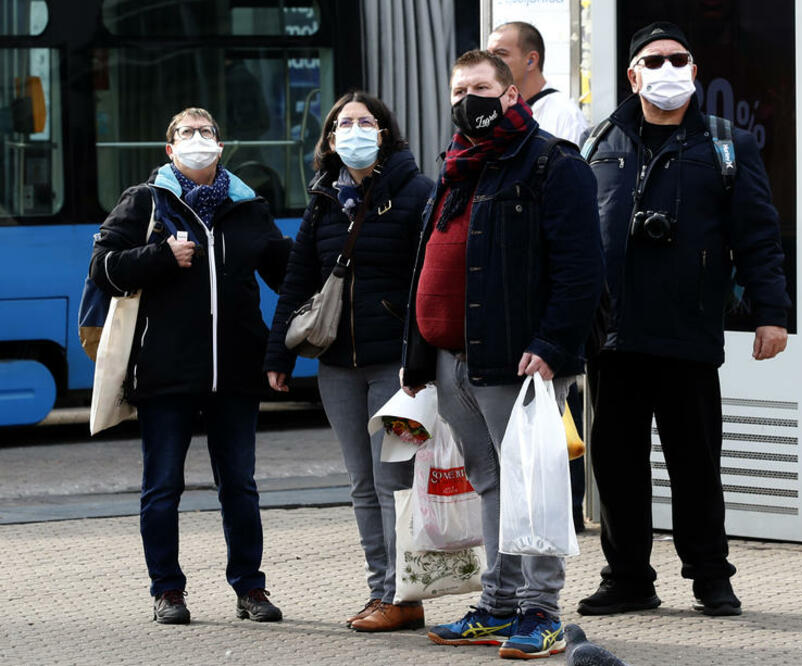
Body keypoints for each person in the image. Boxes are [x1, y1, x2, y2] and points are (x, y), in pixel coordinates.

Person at [577, 22, 790, 618]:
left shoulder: (728, 145)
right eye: (654, 60)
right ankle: (627, 580)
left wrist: (771, 315)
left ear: (694, 71)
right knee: (616, 468)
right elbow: (575, 242)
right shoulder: (599, 142)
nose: (667, 69)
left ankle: (710, 578)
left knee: (695, 465)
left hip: (689, 334)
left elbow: (759, 238)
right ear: (633, 75)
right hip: (613, 338)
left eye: (678, 59)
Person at [401, 50, 604, 660]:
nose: (470, 99)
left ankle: (540, 611)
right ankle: (498, 604)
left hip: (519, 361)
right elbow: (427, 265)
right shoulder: (459, 168)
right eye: (460, 89)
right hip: (452, 359)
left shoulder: (552, 164)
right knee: (491, 483)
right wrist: (417, 361)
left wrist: (550, 346)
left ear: (511, 94)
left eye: (482, 87)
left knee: (532, 485)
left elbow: (581, 271)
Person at [88, 107, 290, 625]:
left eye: (206, 133)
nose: (197, 140)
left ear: (221, 148)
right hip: (164, 375)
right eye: (186, 134)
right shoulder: (145, 201)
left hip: (236, 373)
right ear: (169, 150)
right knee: (162, 487)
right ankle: (168, 592)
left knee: (240, 486)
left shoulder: (249, 207)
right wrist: (159, 256)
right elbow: (102, 269)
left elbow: (286, 277)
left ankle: (250, 588)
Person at [264, 91, 432, 632]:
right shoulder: (322, 200)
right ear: (330, 139)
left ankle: (403, 595)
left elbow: (428, 281)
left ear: (384, 132)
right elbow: (298, 282)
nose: (353, 131)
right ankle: (381, 590)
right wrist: (279, 356)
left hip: (395, 366)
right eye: (343, 124)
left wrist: (421, 356)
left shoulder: (416, 194)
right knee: (361, 484)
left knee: (394, 482)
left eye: (365, 122)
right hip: (336, 364)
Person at [487, 20, 592, 533]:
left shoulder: (557, 114)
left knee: (555, 423)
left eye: (501, 52)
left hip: (544, 298)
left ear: (531, 59)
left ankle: (564, 512)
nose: (494, 58)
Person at [487, 21, 589, 147]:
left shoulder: (565, 115)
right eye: (488, 56)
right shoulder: (493, 113)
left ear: (531, 60)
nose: (490, 63)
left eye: (500, 54)